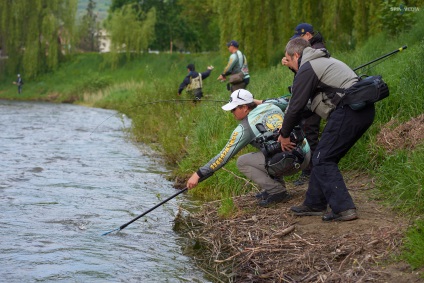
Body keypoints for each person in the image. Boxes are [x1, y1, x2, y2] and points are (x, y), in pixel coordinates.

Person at [278, 37, 375, 221]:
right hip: (361, 110)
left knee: (323, 159)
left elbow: (295, 106)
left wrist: (284, 134)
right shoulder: (321, 60)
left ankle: (344, 209)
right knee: (323, 155)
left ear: (296, 55)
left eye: (289, 61)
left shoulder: (308, 68)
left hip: (349, 111)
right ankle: (314, 203)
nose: (289, 65)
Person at [186, 89, 311, 207]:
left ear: (245, 107)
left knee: (242, 162)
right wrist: (257, 101)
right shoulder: (272, 104)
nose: (232, 113)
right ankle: (276, 186)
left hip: (292, 162)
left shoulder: (244, 129)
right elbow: (289, 101)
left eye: (233, 109)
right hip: (306, 153)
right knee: (265, 149)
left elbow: (223, 157)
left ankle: (277, 191)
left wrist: (198, 174)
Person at [282, 23, 326, 186]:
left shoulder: (316, 49)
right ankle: (310, 169)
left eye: (300, 37)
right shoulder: (310, 48)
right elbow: (303, 73)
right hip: (309, 97)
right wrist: (291, 66)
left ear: (307, 35)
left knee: (310, 133)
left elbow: (308, 74)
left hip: (314, 99)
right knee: (306, 132)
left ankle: (313, 171)